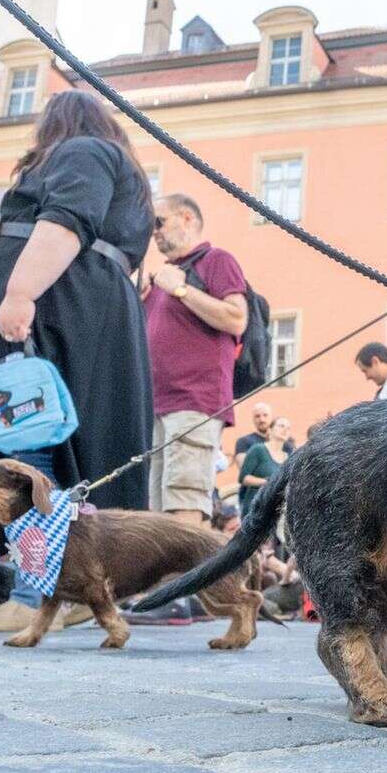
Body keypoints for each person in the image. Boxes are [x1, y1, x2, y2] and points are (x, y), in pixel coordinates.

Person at [0, 91, 155, 612]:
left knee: (28, 438)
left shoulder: (82, 151)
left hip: (54, 302)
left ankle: (37, 594)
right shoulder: (116, 164)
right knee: (53, 441)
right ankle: (64, 593)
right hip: (80, 301)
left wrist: (20, 290)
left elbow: (66, 220)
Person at [143, 192, 247, 525]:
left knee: (183, 501)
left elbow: (235, 318)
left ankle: (183, 578)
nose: (154, 231)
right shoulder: (162, 278)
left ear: (187, 218)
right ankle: (173, 578)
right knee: (158, 509)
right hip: (158, 405)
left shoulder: (216, 260)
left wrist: (182, 290)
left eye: (159, 222)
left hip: (193, 401)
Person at [238, 417, 291, 515]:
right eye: (281, 426)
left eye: (288, 428)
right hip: (254, 506)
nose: (285, 430)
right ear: (270, 430)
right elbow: (243, 478)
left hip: (276, 509)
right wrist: (269, 482)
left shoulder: (288, 457)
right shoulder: (258, 449)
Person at [232, 403, 272, 468]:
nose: (262, 419)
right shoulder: (243, 442)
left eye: (265, 415)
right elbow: (244, 468)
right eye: (257, 416)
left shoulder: (285, 440)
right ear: (253, 419)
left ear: (271, 417)